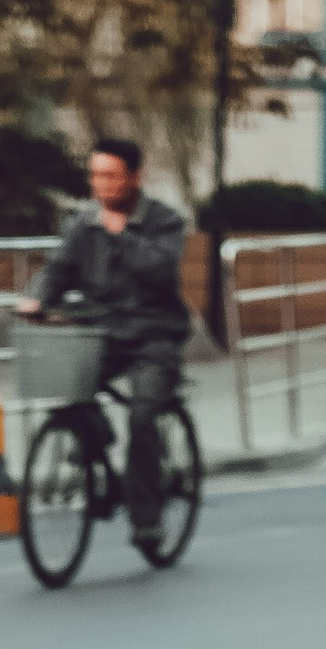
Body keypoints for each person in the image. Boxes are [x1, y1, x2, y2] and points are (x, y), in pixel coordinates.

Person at [18, 138, 193, 547]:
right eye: (96, 175)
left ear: (134, 177)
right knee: (66, 387)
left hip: (155, 334)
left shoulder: (164, 221)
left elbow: (162, 271)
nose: (102, 185)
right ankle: (98, 445)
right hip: (103, 333)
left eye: (111, 176)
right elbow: (58, 269)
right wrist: (38, 298)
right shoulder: (83, 224)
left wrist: (123, 236)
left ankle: (146, 518)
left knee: (143, 417)